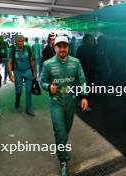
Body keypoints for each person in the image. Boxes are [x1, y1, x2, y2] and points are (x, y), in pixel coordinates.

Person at [41, 36, 89, 176]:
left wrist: (84, 96)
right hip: (56, 103)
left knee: (65, 131)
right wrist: (49, 87)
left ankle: (60, 144)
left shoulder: (75, 62)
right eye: (59, 46)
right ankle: (63, 160)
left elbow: (82, 80)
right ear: (54, 47)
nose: (62, 49)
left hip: (71, 103)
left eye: (64, 46)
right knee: (60, 132)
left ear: (68, 47)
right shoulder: (48, 64)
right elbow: (42, 82)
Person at [7, 35, 36, 116]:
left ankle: (28, 108)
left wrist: (34, 72)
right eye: (19, 41)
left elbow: (32, 60)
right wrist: (10, 74)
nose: (20, 43)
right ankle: (17, 101)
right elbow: (9, 62)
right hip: (17, 71)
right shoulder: (12, 49)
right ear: (16, 42)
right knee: (18, 90)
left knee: (28, 90)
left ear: (24, 41)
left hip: (27, 71)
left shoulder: (28, 48)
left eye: (22, 41)